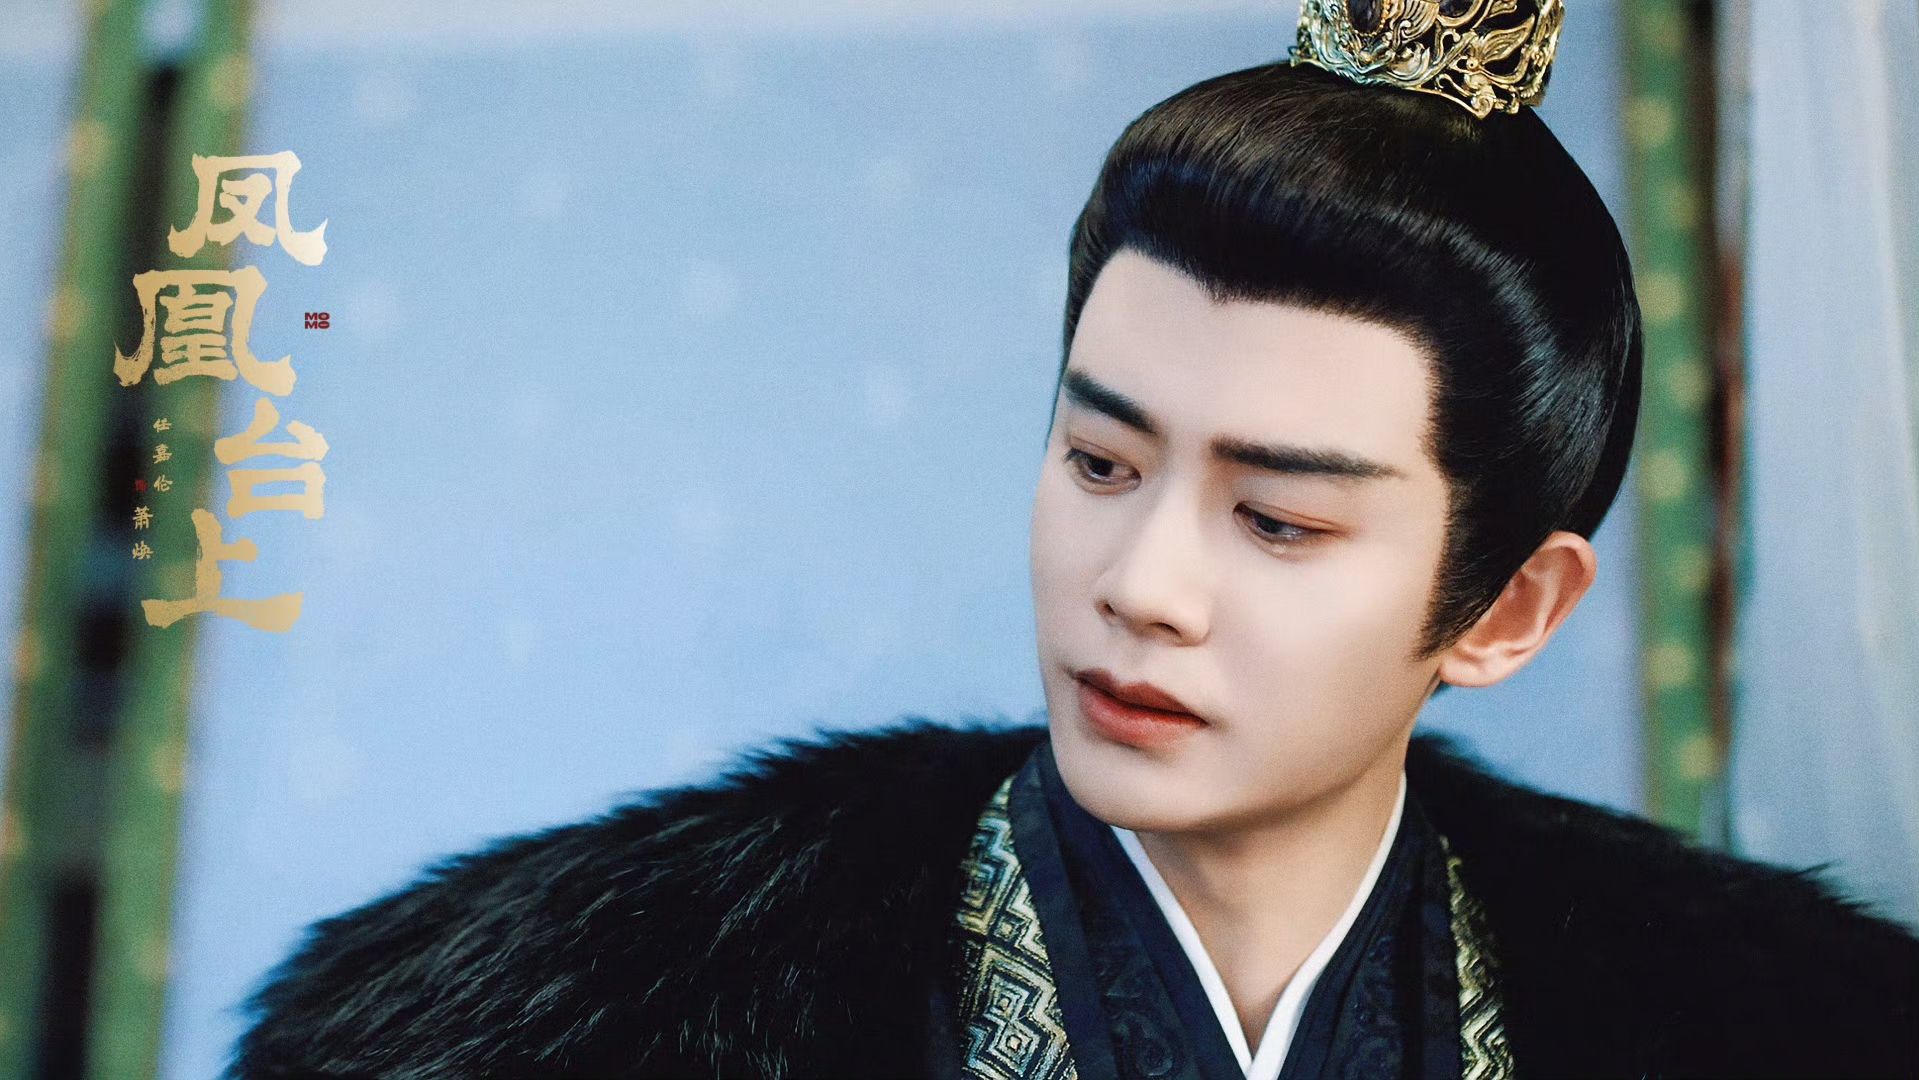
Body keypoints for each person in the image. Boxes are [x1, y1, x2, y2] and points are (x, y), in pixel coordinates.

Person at [229, 3, 1919, 1078]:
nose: (1141, 587)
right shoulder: (585, 1020)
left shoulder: (1785, 1030)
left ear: (1507, 606)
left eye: (1278, 518)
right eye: (1102, 462)